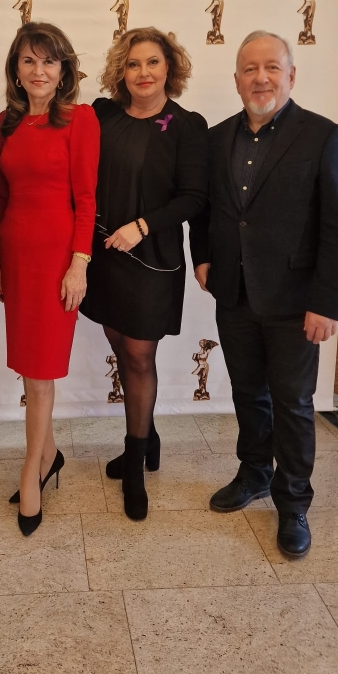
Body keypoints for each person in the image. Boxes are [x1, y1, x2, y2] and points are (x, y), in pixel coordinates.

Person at [190, 30, 338, 557]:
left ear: (291, 75)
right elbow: (204, 207)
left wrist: (326, 303)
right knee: (248, 393)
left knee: (292, 403)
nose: (260, 78)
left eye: (271, 68)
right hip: (235, 294)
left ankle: (293, 504)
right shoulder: (216, 138)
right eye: (250, 69)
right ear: (237, 79)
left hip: (296, 300)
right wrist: (202, 256)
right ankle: (254, 472)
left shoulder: (323, 136)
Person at [80, 27, 208, 520]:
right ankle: (147, 439)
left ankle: (134, 463)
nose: (143, 72)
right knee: (119, 342)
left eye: (153, 62)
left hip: (152, 256)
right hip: (105, 253)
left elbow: (193, 197)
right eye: (133, 64)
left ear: (169, 68)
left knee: (137, 356)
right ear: (122, 71)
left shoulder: (186, 125)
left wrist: (142, 225)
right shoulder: (102, 114)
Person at [0, 22, 99, 537]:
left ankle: (30, 470)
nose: (39, 70)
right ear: (16, 68)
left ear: (63, 70)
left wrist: (79, 263)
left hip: (57, 259)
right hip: (15, 256)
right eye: (29, 60)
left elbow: (87, 199)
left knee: (40, 372)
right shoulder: (4, 123)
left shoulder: (81, 119)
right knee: (29, 367)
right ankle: (49, 453)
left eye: (49, 61)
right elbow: (1, 196)